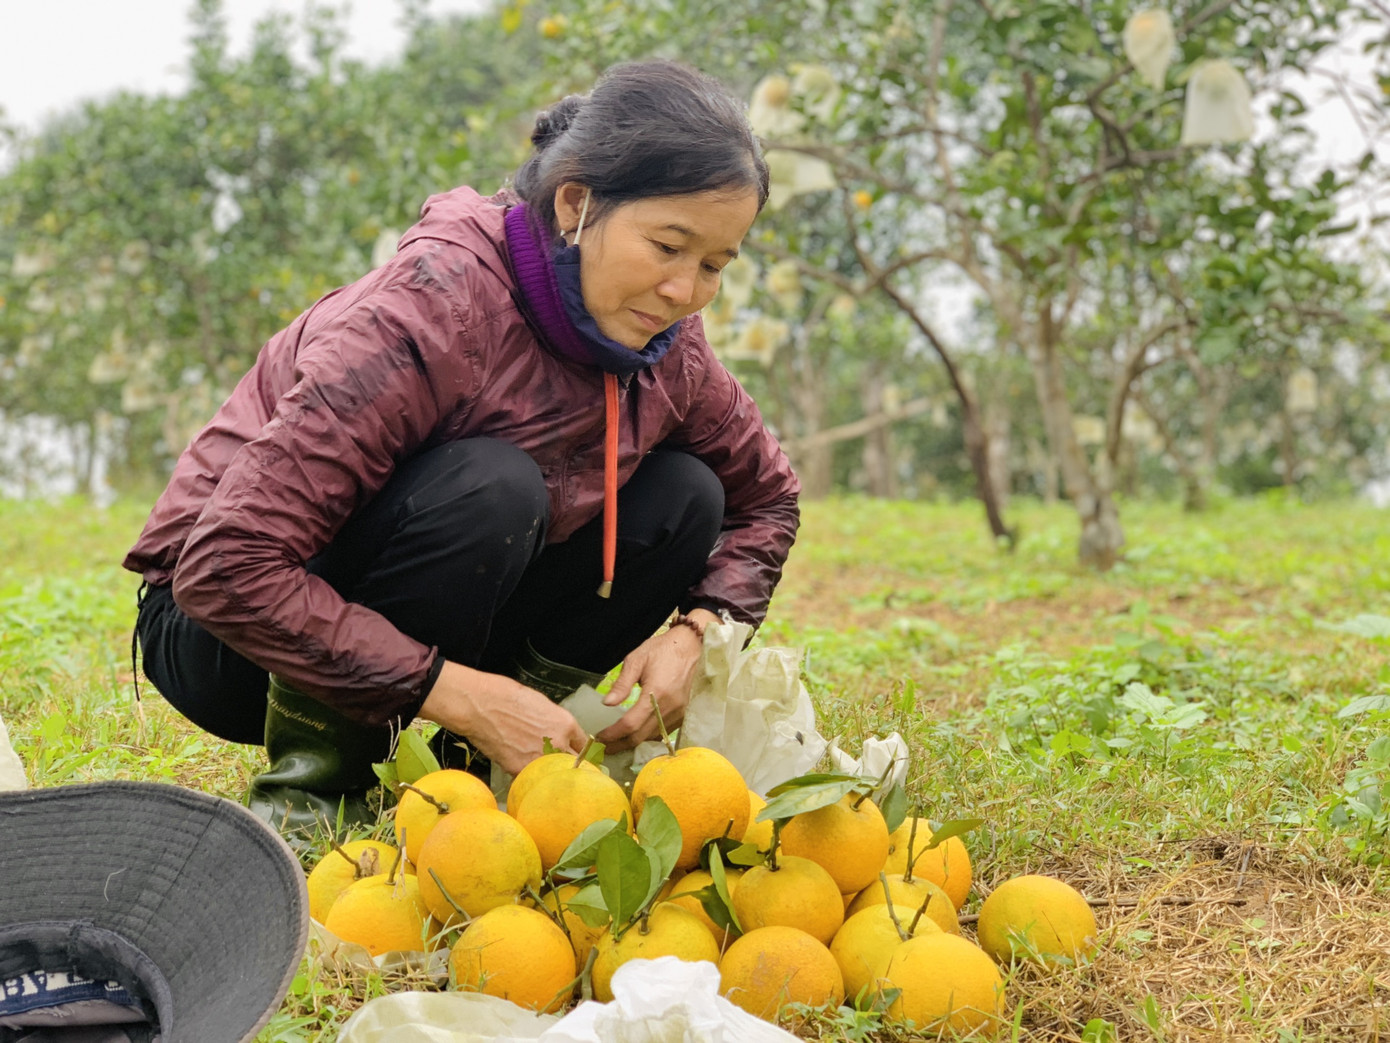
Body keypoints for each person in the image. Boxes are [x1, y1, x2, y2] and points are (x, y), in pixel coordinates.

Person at [123, 60, 801, 835]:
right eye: (668, 246)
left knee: (690, 495)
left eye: (714, 264)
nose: (685, 291)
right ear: (577, 204)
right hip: (227, 639)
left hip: (436, 618)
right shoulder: (434, 308)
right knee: (493, 485)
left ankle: (481, 780)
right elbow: (226, 566)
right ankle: (318, 809)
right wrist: (457, 691)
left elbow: (769, 497)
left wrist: (700, 630)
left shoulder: (669, 346)